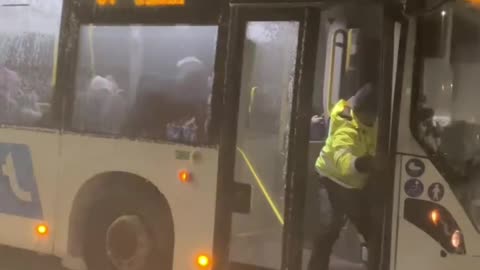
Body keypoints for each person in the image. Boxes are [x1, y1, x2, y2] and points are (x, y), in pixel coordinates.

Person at [308, 83, 379, 270]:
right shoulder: (346, 123)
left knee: (374, 232)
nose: (371, 119)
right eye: (367, 115)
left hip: (353, 186)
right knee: (329, 230)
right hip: (331, 180)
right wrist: (363, 163)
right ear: (361, 111)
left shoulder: (372, 123)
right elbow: (342, 158)